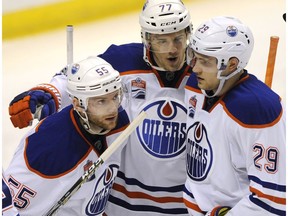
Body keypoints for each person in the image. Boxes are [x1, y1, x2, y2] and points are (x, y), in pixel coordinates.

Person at [8, 0, 193, 215]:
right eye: (162, 41)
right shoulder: (122, 61)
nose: (172, 49)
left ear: (188, 33)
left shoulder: (203, 70)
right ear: (148, 39)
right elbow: (81, 78)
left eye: (178, 38)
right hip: (123, 204)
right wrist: (52, 92)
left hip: (183, 204)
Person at [183, 16, 286, 215]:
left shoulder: (257, 110)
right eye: (194, 57)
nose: (195, 68)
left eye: (205, 61)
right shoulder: (196, 86)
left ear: (231, 64)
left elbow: (273, 199)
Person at [4, 56, 131, 215]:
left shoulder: (117, 120)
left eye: (114, 97)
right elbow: (5, 202)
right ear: (78, 104)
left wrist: (54, 91)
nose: (112, 108)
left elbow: (72, 74)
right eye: (101, 101)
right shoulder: (50, 146)